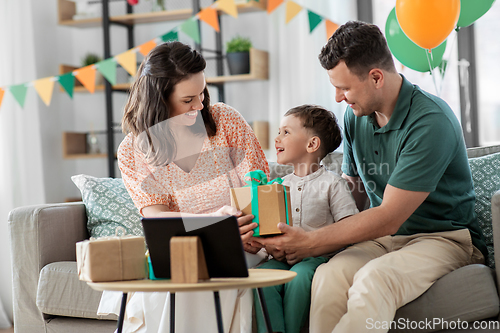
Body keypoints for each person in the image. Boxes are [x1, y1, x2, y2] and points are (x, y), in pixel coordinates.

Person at [256, 21, 487, 333]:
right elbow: (355, 192)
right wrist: (288, 215)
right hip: (382, 239)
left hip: (442, 238)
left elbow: (389, 215)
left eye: (345, 87)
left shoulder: (430, 121)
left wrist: (310, 242)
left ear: (376, 77)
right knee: (327, 276)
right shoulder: (355, 117)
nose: (338, 98)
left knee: (374, 279)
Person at [97, 41, 269, 333]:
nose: (200, 104)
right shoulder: (132, 150)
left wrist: (243, 229)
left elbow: (260, 188)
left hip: (244, 245)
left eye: (202, 93)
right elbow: (157, 218)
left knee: (204, 281)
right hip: (183, 251)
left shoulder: (224, 120)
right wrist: (217, 224)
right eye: (188, 99)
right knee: (175, 283)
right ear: (159, 99)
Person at [253, 105, 358, 333]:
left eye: (286, 132)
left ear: (312, 144)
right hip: (281, 259)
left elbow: (349, 229)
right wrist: (273, 247)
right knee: (260, 279)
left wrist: (314, 246)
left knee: (299, 279)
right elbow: (269, 229)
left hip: (315, 258)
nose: (277, 138)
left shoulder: (333, 184)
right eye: (279, 131)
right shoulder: (278, 186)